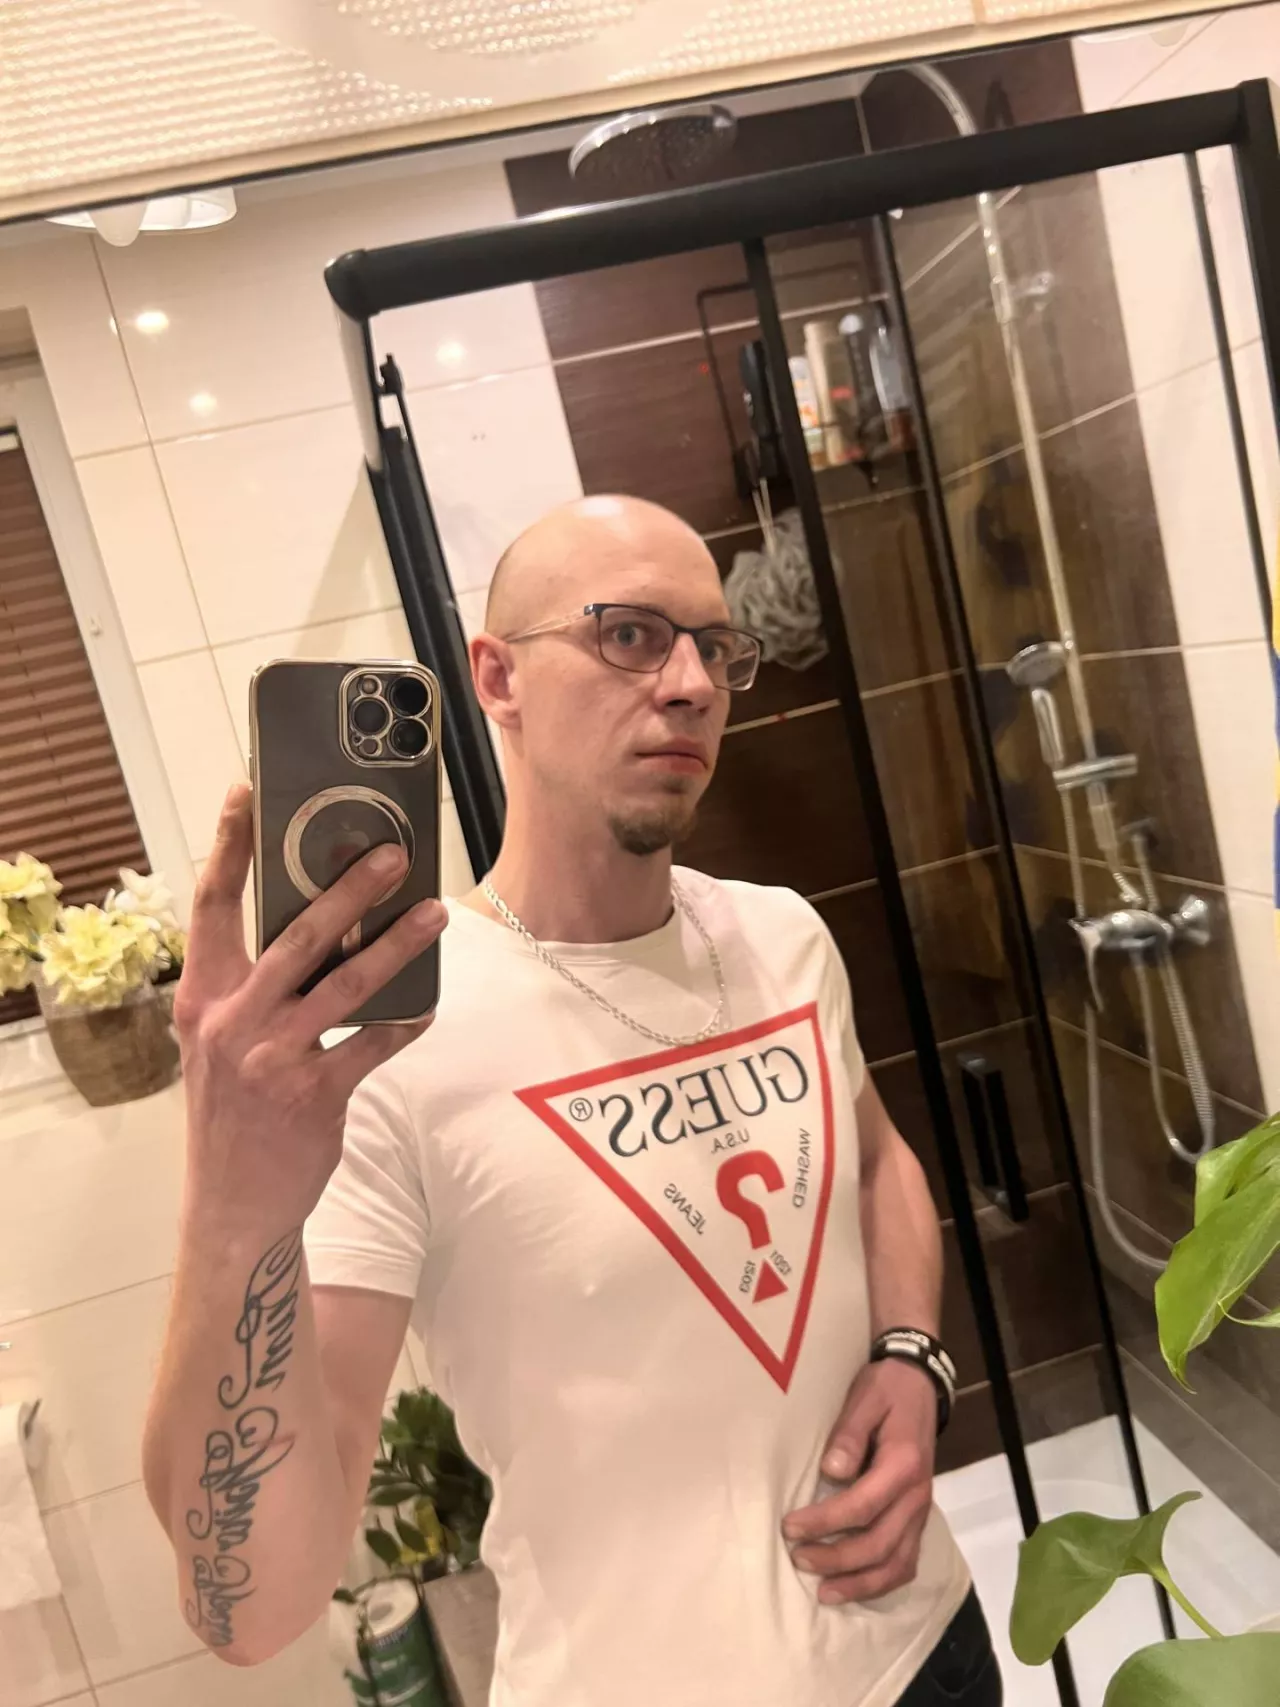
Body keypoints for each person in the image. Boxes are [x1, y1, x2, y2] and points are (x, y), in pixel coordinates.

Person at [143, 494, 1001, 1706]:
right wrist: (230, 1212)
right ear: (496, 678)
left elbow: (873, 1164)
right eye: (629, 635)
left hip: (925, 1647)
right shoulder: (388, 1050)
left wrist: (912, 1359)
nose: (691, 684)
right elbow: (255, 1609)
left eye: (714, 646)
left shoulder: (781, 936)